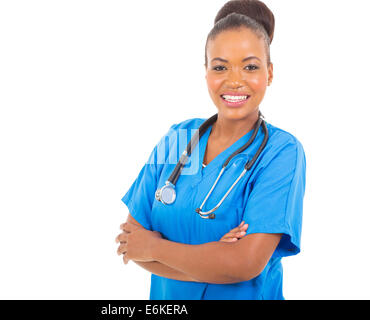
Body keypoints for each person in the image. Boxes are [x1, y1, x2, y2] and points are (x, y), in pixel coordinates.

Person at [116, 0, 306, 300]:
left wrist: (154, 248)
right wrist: (215, 257)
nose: (234, 80)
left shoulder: (280, 152)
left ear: (269, 73)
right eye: (220, 66)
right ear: (206, 72)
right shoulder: (179, 138)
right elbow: (129, 243)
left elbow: (244, 264)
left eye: (250, 66)